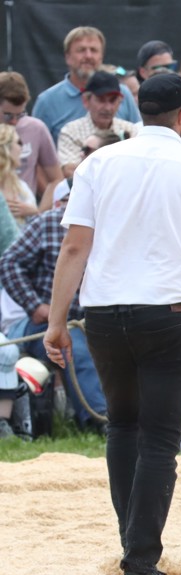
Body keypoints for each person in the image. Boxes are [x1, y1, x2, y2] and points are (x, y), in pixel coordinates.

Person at [42, 73, 181, 575]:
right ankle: (140, 566)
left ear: (140, 109)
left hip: (104, 315)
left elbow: (74, 249)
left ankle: (133, 551)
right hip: (167, 315)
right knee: (160, 439)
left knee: (123, 428)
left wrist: (55, 321)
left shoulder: (98, 163)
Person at [0, 170, 109, 432]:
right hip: (45, 325)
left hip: (98, 320)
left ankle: (128, 420)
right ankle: (101, 421)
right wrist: (35, 306)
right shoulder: (46, 223)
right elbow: (9, 263)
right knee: (76, 350)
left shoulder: (111, 227)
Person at [32, 26, 141, 143]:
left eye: (93, 50)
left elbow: (138, 138)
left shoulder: (122, 93)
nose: (88, 56)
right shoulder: (47, 101)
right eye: (81, 50)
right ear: (67, 57)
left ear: (101, 56)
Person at [57, 71, 137, 179]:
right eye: (101, 100)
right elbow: (69, 170)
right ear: (86, 101)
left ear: (120, 102)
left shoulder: (131, 129)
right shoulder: (70, 131)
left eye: (113, 100)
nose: (108, 108)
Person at [0, 72, 62, 201]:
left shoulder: (36, 129)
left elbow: (56, 179)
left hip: (25, 215)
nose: (14, 121)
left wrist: (38, 212)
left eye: (20, 115)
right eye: (8, 115)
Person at [0, 125, 34, 236]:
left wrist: (33, 211)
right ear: (6, 147)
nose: (22, 147)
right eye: (18, 142)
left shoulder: (21, 187)